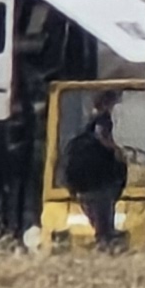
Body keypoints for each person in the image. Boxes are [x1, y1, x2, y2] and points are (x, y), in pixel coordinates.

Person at [59, 99, 129, 251]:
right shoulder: (96, 149)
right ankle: (105, 245)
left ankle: (104, 244)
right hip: (98, 191)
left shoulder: (77, 144)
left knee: (102, 226)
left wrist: (73, 190)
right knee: (104, 230)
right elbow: (119, 172)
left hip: (84, 192)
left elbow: (67, 170)